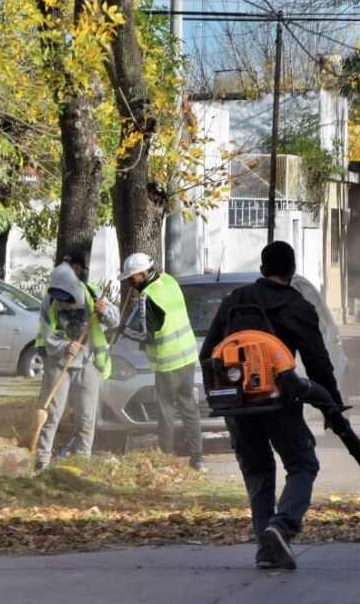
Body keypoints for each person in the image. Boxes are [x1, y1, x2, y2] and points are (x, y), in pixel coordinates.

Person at [199, 241, 343, 570]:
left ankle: (266, 551)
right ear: (291, 272)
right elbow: (318, 362)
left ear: (262, 270)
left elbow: (207, 354)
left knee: (258, 472)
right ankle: (281, 526)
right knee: (303, 464)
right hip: (278, 400)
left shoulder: (235, 301)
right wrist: (330, 406)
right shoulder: (297, 305)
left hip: (236, 405)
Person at [118, 253, 205, 471]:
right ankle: (198, 459)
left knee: (166, 411)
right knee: (188, 407)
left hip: (168, 361)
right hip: (187, 357)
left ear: (142, 273)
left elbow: (145, 334)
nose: (130, 283)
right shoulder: (170, 281)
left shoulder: (148, 296)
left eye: (131, 278)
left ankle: (166, 459)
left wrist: (123, 330)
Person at [34, 254, 120, 469]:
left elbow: (115, 320)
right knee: (51, 414)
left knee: (86, 416)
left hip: (88, 362)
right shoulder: (51, 299)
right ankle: (41, 461)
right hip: (59, 363)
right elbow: (46, 332)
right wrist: (64, 346)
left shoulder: (92, 293)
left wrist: (105, 312)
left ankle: (82, 461)